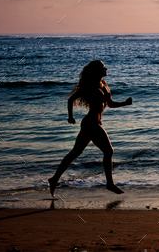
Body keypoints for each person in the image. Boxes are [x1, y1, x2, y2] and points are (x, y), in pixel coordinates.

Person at [49, 60, 133, 196]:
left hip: (94, 123)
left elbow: (110, 104)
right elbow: (71, 100)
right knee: (109, 151)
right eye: (103, 67)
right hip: (91, 123)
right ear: (97, 71)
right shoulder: (89, 85)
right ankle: (110, 184)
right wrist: (70, 117)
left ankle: (54, 179)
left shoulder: (104, 84)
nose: (106, 68)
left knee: (74, 153)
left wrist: (125, 103)